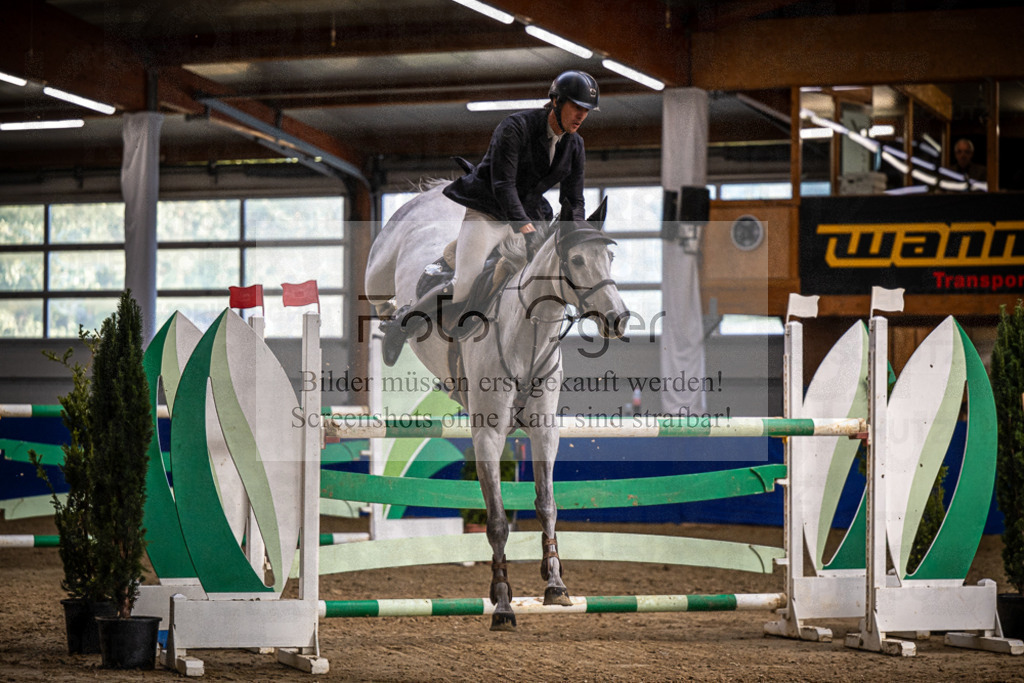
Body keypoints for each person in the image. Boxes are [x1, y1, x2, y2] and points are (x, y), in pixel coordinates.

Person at [381, 70, 599, 366]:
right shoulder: (515, 127)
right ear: (556, 101)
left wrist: (576, 234)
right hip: (489, 211)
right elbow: (503, 185)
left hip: (531, 214)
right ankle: (402, 325)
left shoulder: (575, 145)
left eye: (586, 110)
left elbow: (573, 199)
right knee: (464, 285)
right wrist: (523, 227)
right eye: (577, 107)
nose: (581, 116)